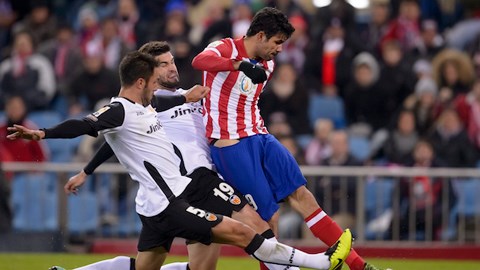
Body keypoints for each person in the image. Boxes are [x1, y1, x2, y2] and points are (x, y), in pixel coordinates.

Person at [7, 51, 352, 270]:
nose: (169, 71)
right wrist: (44, 135)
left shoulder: (157, 104)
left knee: (200, 264)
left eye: (172, 63)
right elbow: (92, 125)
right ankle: (322, 262)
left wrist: (188, 97)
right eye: (162, 68)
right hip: (175, 198)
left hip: (174, 196)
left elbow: (130, 133)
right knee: (246, 231)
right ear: (145, 78)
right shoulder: (125, 109)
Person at [192, 7, 386, 270]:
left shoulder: (268, 64)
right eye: (277, 42)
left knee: (303, 195)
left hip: (260, 136)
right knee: (269, 219)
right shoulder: (224, 47)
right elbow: (199, 62)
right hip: (230, 144)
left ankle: (359, 266)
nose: (280, 49)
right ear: (260, 36)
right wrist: (239, 65)